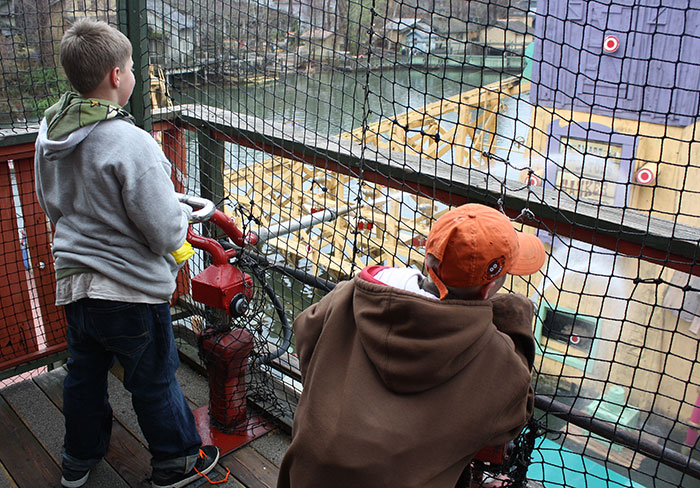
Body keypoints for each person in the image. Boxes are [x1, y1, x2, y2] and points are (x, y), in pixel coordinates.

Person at [34, 19, 219, 488]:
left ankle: (79, 458)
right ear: (117, 76)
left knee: (84, 375)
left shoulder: (49, 131)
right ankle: (176, 462)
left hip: (76, 285)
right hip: (129, 293)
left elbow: (52, 202)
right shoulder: (130, 141)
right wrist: (179, 222)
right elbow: (161, 226)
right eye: (133, 65)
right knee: (153, 379)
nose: (135, 73)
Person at [277, 203, 546, 488]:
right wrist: (514, 322)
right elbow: (513, 416)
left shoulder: (350, 295)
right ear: (489, 289)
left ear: (430, 262)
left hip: (309, 475)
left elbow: (305, 332)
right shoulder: (493, 356)